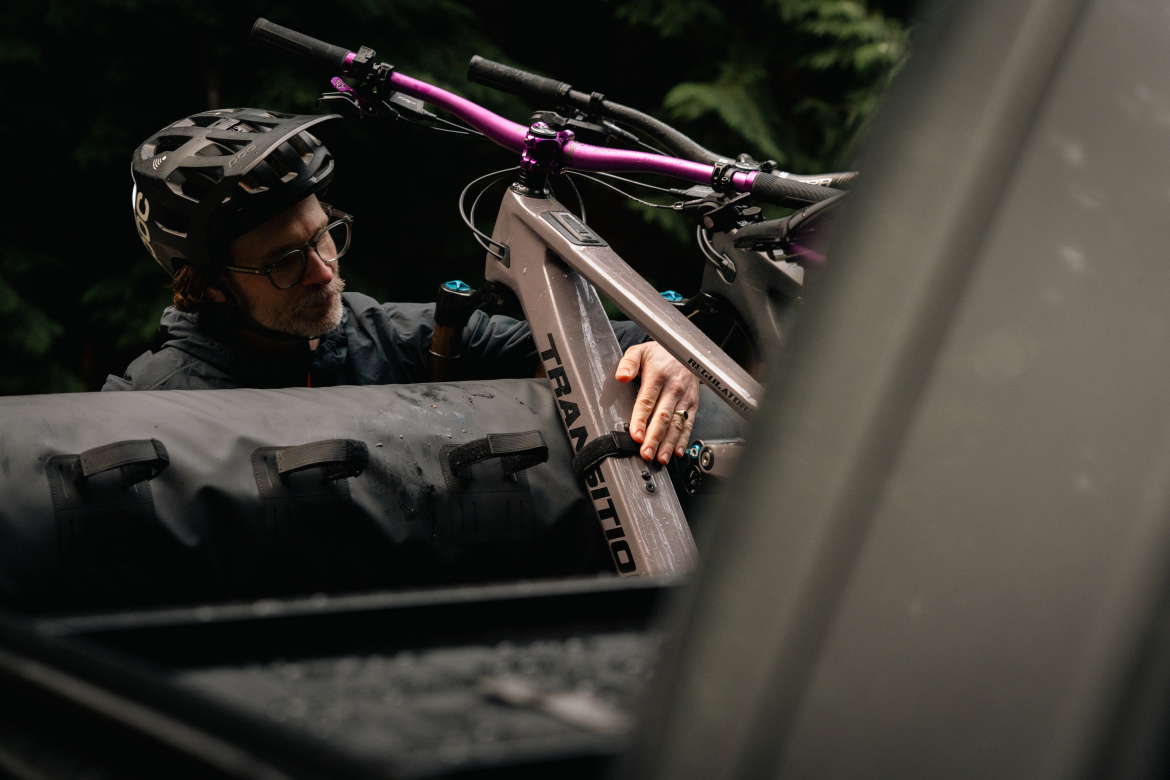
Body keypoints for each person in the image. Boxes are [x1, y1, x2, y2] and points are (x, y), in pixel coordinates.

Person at [105, 108, 699, 464]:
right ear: (207, 288)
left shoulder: (384, 337)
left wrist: (660, 346)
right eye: (284, 261)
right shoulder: (149, 404)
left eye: (324, 236)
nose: (323, 270)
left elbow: (563, 347)